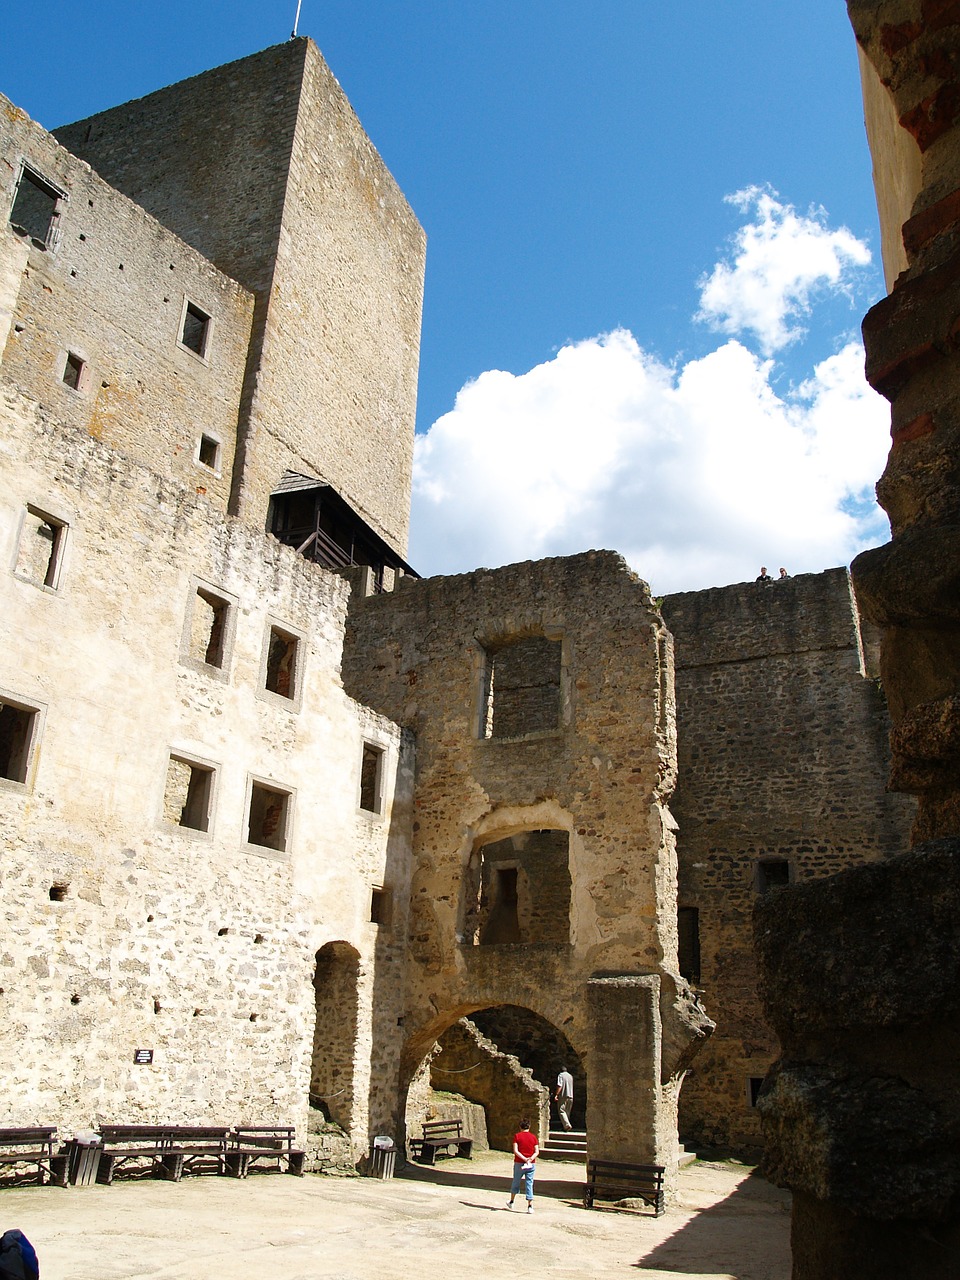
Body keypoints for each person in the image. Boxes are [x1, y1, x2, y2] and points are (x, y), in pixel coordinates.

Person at [506, 1119, 539, 1213]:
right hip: (531, 1163)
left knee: (516, 1181)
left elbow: (516, 1151)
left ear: (520, 1127)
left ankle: (512, 1201)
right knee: (529, 1183)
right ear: (529, 1127)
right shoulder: (533, 1137)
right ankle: (530, 1205)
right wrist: (530, 1159)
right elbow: (537, 1151)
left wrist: (524, 1159)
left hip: (519, 1162)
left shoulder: (517, 1136)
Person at [553, 1066, 574, 1131]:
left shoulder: (561, 1075)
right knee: (567, 1112)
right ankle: (565, 1127)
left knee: (561, 1110)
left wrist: (556, 1094)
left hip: (563, 1095)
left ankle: (567, 1125)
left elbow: (560, 1085)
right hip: (570, 1096)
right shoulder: (570, 1076)